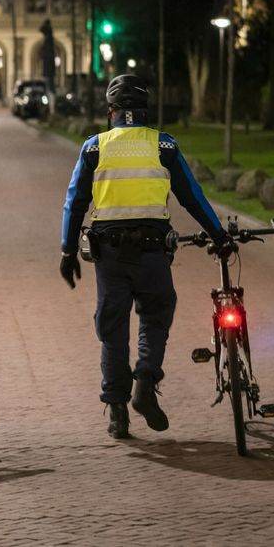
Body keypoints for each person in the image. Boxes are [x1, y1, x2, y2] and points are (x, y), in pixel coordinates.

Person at [59, 74, 226, 439]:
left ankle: (117, 413)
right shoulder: (164, 145)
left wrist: (68, 250)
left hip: (109, 253)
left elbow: (75, 202)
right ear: (145, 111)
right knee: (155, 315)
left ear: (111, 112)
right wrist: (219, 235)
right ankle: (146, 381)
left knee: (113, 329)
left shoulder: (94, 148)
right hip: (152, 251)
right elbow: (192, 197)